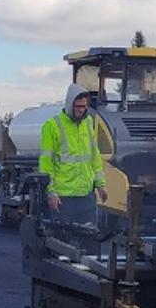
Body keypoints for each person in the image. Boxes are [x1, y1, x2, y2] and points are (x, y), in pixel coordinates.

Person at [38, 85, 107, 228]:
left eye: (84, 106)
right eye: (77, 106)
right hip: (63, 197)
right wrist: (51, 192)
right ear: (70, 104)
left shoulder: (88, 123)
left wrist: (100, 185)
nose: (81, 110)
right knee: (62, 238)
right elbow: (46, 163)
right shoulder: (52, 126)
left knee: (89, 236)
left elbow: (94, 156)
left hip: (86, 196)